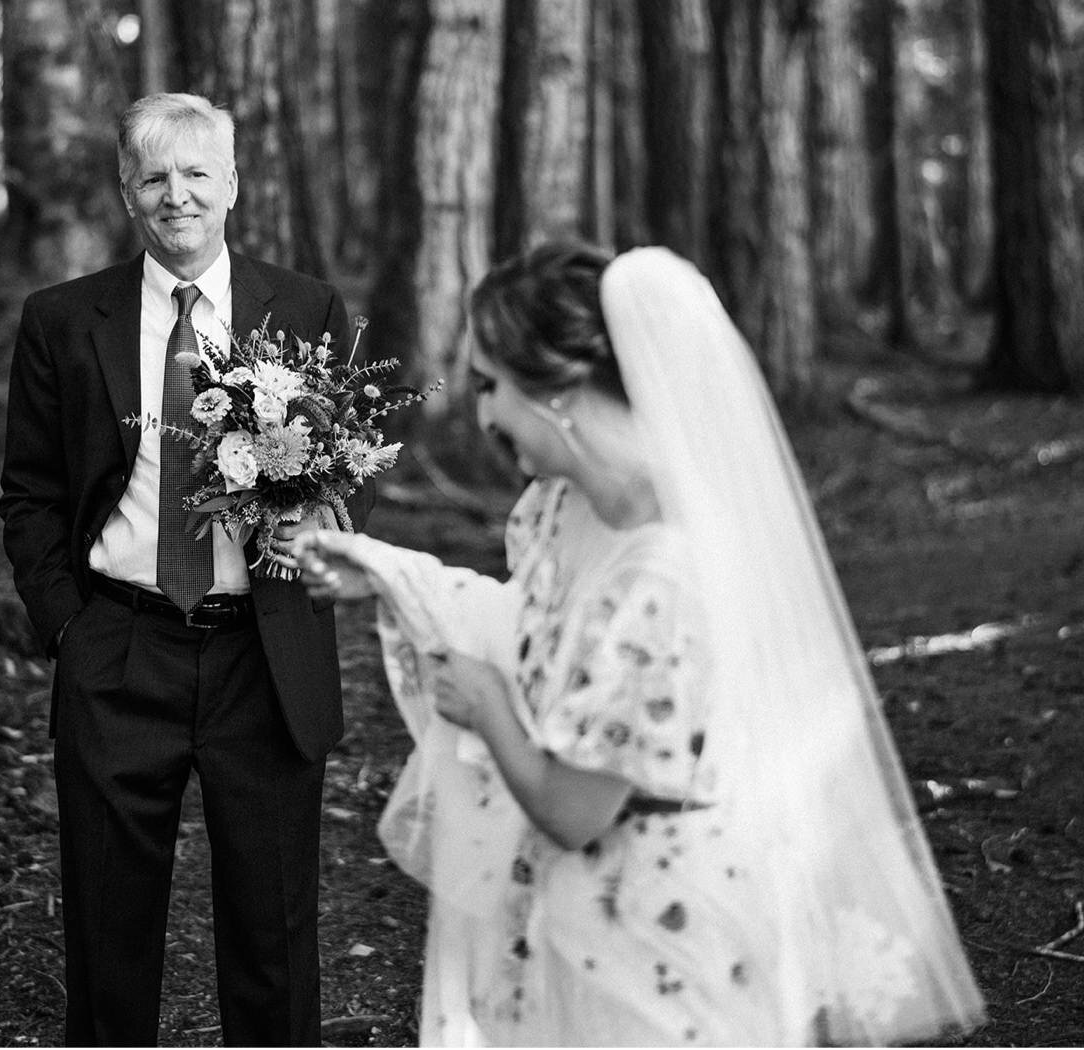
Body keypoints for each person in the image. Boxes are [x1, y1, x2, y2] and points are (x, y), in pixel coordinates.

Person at [295, 243, 986, 1046]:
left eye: (491, 387)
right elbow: (530, 626)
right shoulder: (565, 507)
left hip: (665, 927)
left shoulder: (669, 572)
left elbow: (577, 810)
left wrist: (487, 707)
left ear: (560, 390)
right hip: (572, 914)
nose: (481, 417)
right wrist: (385, 574)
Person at [0, 92, 371, 1047]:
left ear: (233, 185)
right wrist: (68, 629)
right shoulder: (61, 320)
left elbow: (342, 472)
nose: (178, 196)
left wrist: (321, 521)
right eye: (155, 177)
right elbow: (31, 495)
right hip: (119, 651)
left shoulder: (304, 309)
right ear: (127, 192)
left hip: (264, 652)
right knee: (109, 932)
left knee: (274, 932)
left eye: (197, 173)